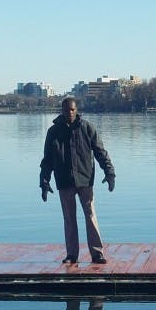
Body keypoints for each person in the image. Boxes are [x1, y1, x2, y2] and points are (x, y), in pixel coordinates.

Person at [40, 97, 115, 265]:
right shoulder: (53, 132)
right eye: (66, 110)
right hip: (64, 180)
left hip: (85, 179)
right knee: (69, 219)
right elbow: (47, 160)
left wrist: (110, 173)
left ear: (77, 110)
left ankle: (97, 253)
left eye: (72, 110)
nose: (70, 113)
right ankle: (72, 255)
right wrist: (44, 182)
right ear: (62, 111)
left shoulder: (87, 128)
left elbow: (101, 152)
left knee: (91, 215)